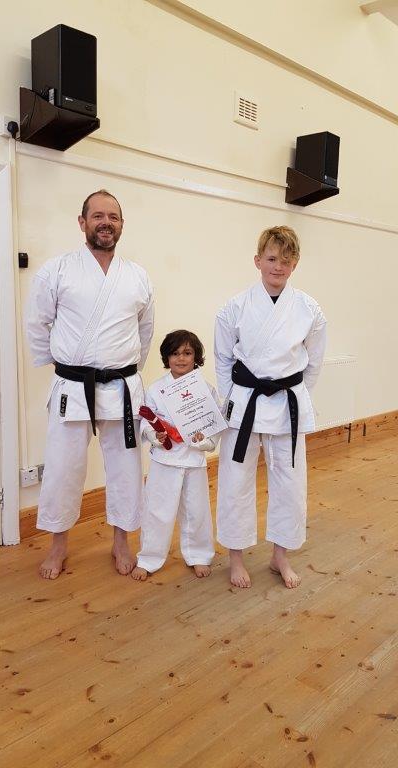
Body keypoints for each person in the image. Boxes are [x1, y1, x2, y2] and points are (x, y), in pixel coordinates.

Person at [26, 190, 154, 579]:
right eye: (98, 216)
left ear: (122, 225)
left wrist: (126, 369)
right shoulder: (58, 270)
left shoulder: (137, 275)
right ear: (82, 222)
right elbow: (37, 323)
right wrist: (63, 366)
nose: (106, 223)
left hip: (120, 386)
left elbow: (144, 331)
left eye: (113, 217)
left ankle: (121, 541)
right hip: (73, 385)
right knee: (63, 468)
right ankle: (58, 545)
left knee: (125, 468)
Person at [214, 225, 326, 589]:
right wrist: (233, 399)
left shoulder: (309, 309)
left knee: (290, 482)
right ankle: (235, 557)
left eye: (286, 260)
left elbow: (313, 363)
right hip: (245, 402)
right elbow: (222, 359)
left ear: (295, 264)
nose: (278, 266)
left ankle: (281, 555)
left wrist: (292, 394)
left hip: (285, 403)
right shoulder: (234, 307)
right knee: (235, 480)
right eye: (272, 258)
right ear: (258, 261)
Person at [131, 330, 220, 581]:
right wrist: (155, 436)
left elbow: (214, 427)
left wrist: (203, 441)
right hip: (164, 460)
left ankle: (199, 555)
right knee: (157, 511)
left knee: (196, 510)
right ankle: (149, 558)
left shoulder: (207, 390)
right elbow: (146, 420)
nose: (181, 358)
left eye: (187, 353)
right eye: (175, 353)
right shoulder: (156, 389)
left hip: (193, 459)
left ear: (196, 357)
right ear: (166, 357)